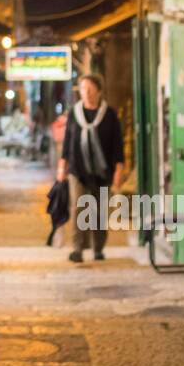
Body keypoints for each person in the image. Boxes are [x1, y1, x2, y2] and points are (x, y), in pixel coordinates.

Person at [57, 73, 124, 263]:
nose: (86, 93)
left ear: (99, 91)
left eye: (90, 89)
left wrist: (119, 169)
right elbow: (68, 142)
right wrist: (62, 166)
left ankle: (98, 248)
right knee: (79, 207)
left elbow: (117, 145)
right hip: (78, 170)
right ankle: (77, 248)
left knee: (99, 211)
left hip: (103, 172)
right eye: (83, 89)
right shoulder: (74, 114)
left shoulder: (109, 115)